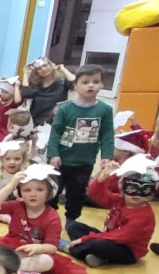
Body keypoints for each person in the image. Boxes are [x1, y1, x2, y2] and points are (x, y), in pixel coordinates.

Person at [0, 165, 86, 274]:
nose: (33, 194)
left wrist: (38, 248)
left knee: (46, 262)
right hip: (10, 246)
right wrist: (11, 185)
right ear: (20, 193)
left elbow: (52, 247)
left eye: (40, 189)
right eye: (27, 190)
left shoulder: (52, 217)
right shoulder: (17, 205)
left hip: (32, 254)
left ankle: (4, 270)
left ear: (49, 192)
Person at [47, 65, 114, 225]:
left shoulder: (105, 110)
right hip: (60, 161)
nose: (91, 85)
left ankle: (71, 221)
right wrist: (53, 154)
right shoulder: (65, 109)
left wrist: (106, 156)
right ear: (75, 86)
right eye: (85, 82)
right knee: (52, 192)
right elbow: (55, 133)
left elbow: (107, 134)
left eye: (95, 82)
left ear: (102, 84)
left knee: (77, 194)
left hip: (84, 162)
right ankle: (49, 220)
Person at [67, 163, 158, 268]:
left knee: (97, 244)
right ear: (123, 187)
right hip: (110, 238)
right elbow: (95, 193)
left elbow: (120, 236)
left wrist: (85, 239)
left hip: (128, 251)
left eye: (145, 190)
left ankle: (73, 249)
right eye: (131, 188)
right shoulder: (120, 200)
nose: (136, 194)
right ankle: (96, 256)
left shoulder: (144, 216)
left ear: (151, 193)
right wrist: (103, 178)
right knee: (73, 226)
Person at [19, 59, 74, 127]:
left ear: (51, 65)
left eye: (45, 65)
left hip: (57, 122)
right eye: (39, 68)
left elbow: (75, 84)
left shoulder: (62, 82)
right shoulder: (36, 85)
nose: (43, 69)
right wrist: (25, 73)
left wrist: (63, 69)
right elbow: (25, 93)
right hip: (38, 123)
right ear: (36, 72)